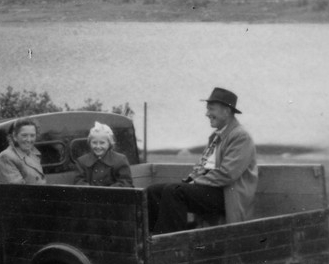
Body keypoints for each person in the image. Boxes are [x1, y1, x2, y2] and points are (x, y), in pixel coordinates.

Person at [146, 87, 258, 234]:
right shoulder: (216, 136)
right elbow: (203, 165)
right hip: (211, 190)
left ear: (226, 111)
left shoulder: (240, 136)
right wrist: (191, 179)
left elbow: (228, 174)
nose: (207, 114)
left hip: (228, 195)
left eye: (211, 109)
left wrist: (196, 182)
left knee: (174, 192)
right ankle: (153, 240)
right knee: (154, 191)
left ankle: (171, 244)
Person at [74, 121, 133, 187]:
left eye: (102, 143)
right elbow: (78, 182)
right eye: (94, 143)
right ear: (89, 143)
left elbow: (126, 182)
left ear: (109, 143)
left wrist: (106, 191)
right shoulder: (82, 161)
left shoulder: (120, 160)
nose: (98, 146)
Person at [0, 118, 46, 184]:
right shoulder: (7, 157)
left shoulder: (33, 154)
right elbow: (18, 189)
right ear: (15, 137)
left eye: (32, 135)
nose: (29, 140)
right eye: (24, 135)